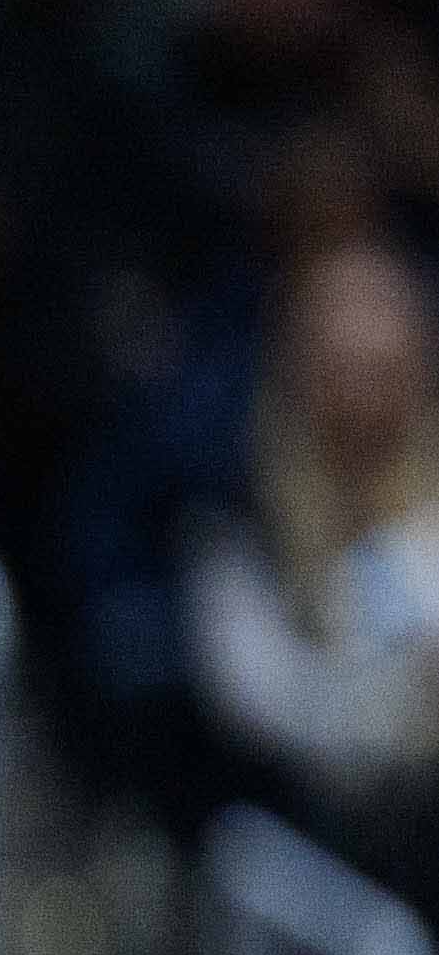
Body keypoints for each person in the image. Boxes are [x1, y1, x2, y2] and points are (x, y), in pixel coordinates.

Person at [179, 237, 439, 830]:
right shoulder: (238, 515)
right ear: (296, 366)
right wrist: (404, 707)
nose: (361, 383)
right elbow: (258, 703)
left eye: (381, 364)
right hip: (321, 834)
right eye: (339, 360)